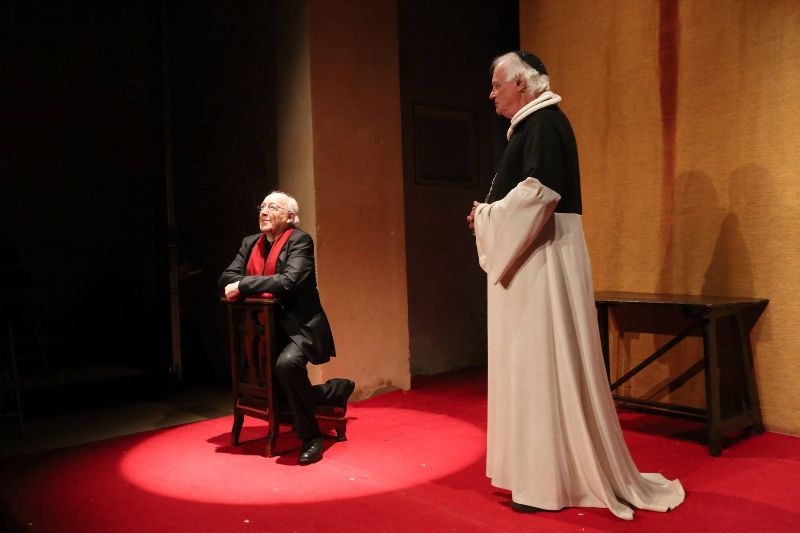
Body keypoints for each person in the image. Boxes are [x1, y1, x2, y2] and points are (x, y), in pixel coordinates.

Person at [466, 51, 685, 519]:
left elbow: (539, 195)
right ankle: (537, 474)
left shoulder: (544, 124)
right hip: (535, 253)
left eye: (497, 84)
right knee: (533, 363)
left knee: (540, 364)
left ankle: (545, 482)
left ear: (521, 84)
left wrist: (485, 216)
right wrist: (490, 216)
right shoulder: (536, 124)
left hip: (541, 255)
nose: (491, 93)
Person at [220, 191, 354, 465]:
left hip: (299, 326)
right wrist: (238, 282)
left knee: (287, 365)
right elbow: (226, 277)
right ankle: (334, 391)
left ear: (290, 217)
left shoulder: (300, 241)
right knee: (277, 391)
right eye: (262, 206)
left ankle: (311, 437)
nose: (264, 211)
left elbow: (288, 281)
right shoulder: (249, 243)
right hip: (264, 327)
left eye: (273, 207)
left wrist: (243, 285)